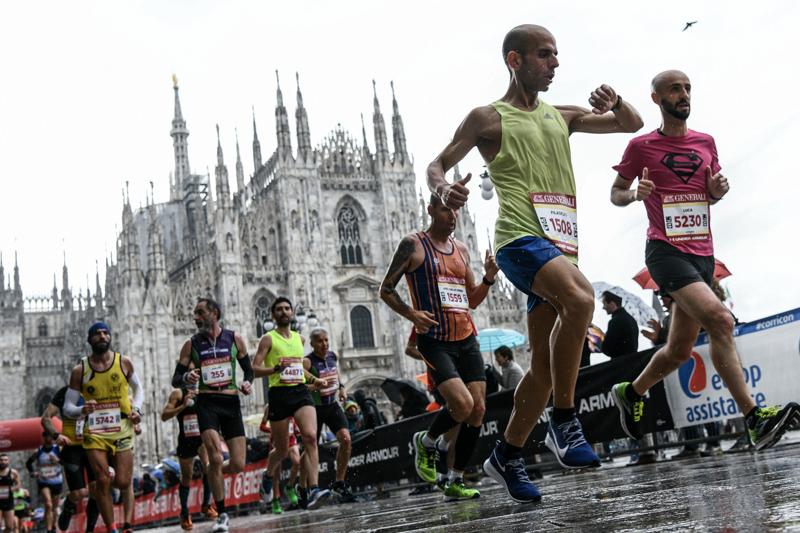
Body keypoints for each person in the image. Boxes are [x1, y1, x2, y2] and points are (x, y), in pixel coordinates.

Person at [425, 23, 643, 502]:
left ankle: (506, 454)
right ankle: (565, 422)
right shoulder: (489, 118)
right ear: (514, 60)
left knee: (542, 372)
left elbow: (631, 124)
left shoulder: (561, 115)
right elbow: (437, 165)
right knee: (583, 298)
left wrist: (617, 103)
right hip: (519, 241)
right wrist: (443, 187)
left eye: (557, 55)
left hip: (559, 249)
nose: (555, 64)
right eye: (545, 55)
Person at [609, 69, 799, 451]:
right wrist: (635, 194)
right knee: (720, 320)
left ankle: (632, 392)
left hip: (703, 255)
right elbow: (616, 192)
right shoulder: (641, 147)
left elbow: (707, 190)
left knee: (679, 350)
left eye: (688, 88)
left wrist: (716, 192)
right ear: (657, 98)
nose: (683, 95)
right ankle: (753, 417)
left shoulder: (706, 143)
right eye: (675, 89)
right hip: (665, 252)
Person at [380, 192, 499, 502]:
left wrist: (487, 278)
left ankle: (456, 479)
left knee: (478, 411)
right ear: (431, 210)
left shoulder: (460, 250)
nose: (452, 215)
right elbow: (386, 289)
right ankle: (428, 440)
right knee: (462, 405)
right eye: (446, 209)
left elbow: (471, 300)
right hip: (434, 339)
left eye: (456, 210)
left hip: (466, 338)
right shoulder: (413, 244)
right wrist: (411, 314)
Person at [171, 298, 254, 533]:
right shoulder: (192, 344)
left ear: (214, 313)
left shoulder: (235, 339)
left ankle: (211, 474)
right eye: (194, 313)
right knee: (215, 458)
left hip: (230, 402)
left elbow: (248, 370)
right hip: (206, 403)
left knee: (237, 464)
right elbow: (175, 379)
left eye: (200, 312)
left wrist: (247, 383)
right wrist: (186, 378)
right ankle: (222, 513)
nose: (195, 317)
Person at [63, 322, 143, 533]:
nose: (102, 336)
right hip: (95, 432)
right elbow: (67, 407)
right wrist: (81, 410)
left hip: (122, 428)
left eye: (105, 333)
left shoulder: (123, 362)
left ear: (110, 337)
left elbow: (138, 389)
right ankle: (112, 528)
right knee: (102, 479)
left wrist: (137, 409)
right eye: (97, 334)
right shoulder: (80, 371)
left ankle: (109, 501)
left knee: (124, 482)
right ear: (89, 340)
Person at [252, 296, 331, 510]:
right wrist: (274, 370)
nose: (284, 312)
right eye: (279, 309)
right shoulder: (268, 339)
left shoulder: (299, 338)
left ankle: (313, 489)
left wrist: (315, 379)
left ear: (292, 313)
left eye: (287, 308)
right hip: (278, 393)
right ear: (273, 315)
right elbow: (255, 369)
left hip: (299, 391)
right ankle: (269, 475)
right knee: (282, 449)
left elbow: (298, 367)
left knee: (311, 438)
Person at [303, 329, 356, 502]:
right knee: (311, 449)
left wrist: (341, 388)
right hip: (314, 409)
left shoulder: (333, 356)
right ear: (312, 344)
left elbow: (335, 374)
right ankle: (303, 486)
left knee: (346, 440)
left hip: (332, 405)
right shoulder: (307, 362)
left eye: (326, 340)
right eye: (319, 341)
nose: (324, 344)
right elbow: (299, 387)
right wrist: (315, 387)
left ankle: (339, 482)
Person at [41, 385, 101, 533]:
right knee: (79, 493)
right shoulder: (64, 392)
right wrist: (56, 435)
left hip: (94, 445)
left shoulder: (98, 386)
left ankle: (90, 529)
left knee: (97, 490)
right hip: (72, 447)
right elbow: (45, 418)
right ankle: (69, 505)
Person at [160, 379, 217, 531]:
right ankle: (185, 513)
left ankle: (206, 505)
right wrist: (183, 406)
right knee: (187, 476)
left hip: (202, 436)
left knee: (208, 467)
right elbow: (164, 415)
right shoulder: (178, 393)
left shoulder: (205, 389)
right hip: (186, 439)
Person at [25, 432, 63, 533]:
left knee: (54, 507)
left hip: (57, 481)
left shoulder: (58, 449)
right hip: (44, 482)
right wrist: (33, 473)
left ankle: (54, 527)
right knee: (48, 504)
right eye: (47, 436)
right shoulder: (38, 451)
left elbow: (66, 462)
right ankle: (49, 530)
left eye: (51, 436)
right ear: (44, 438)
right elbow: (28, 463)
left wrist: (58, 460)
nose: (49, 438)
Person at [600, 291, 639, 358]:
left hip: (619, 365)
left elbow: (607, 349)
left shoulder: (615, 321)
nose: (603, 307)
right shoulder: (631, 319)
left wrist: (601, 338)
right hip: (632, 363)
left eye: (604, 303)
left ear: (612, 303)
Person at [0, 454, 20, 533]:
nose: (3, 462)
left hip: (8, 501)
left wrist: (12, 489)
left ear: (8, 461)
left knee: (9, 526)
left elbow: (18, 484)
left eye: (5, 460)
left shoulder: (13, 472)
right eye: (1, 460)